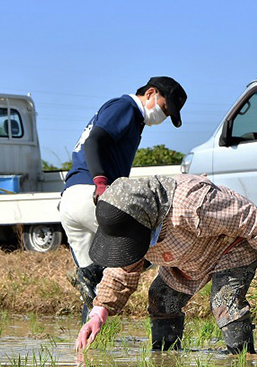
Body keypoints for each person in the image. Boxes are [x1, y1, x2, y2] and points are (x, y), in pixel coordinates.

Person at [74, 174, 257, 353]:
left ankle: (242, 360)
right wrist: (98, 314)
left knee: (224, 301)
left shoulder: (191, 204)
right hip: (186, 256)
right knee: (161, 297)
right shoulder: (135, 227)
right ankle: (166, 359)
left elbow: (246, 215)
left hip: (230, 247)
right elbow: (122, 270)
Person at [60, 77, 187, 322]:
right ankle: (90, 273)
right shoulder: (125, 108)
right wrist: (100, 183)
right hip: (92, 195)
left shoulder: (130, 117)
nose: (163, 115)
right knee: (146, 247)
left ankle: (87, 350)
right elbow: (94, 141)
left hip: (71, 199)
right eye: (165, 107)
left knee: (95, 288)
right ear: (150, 93)